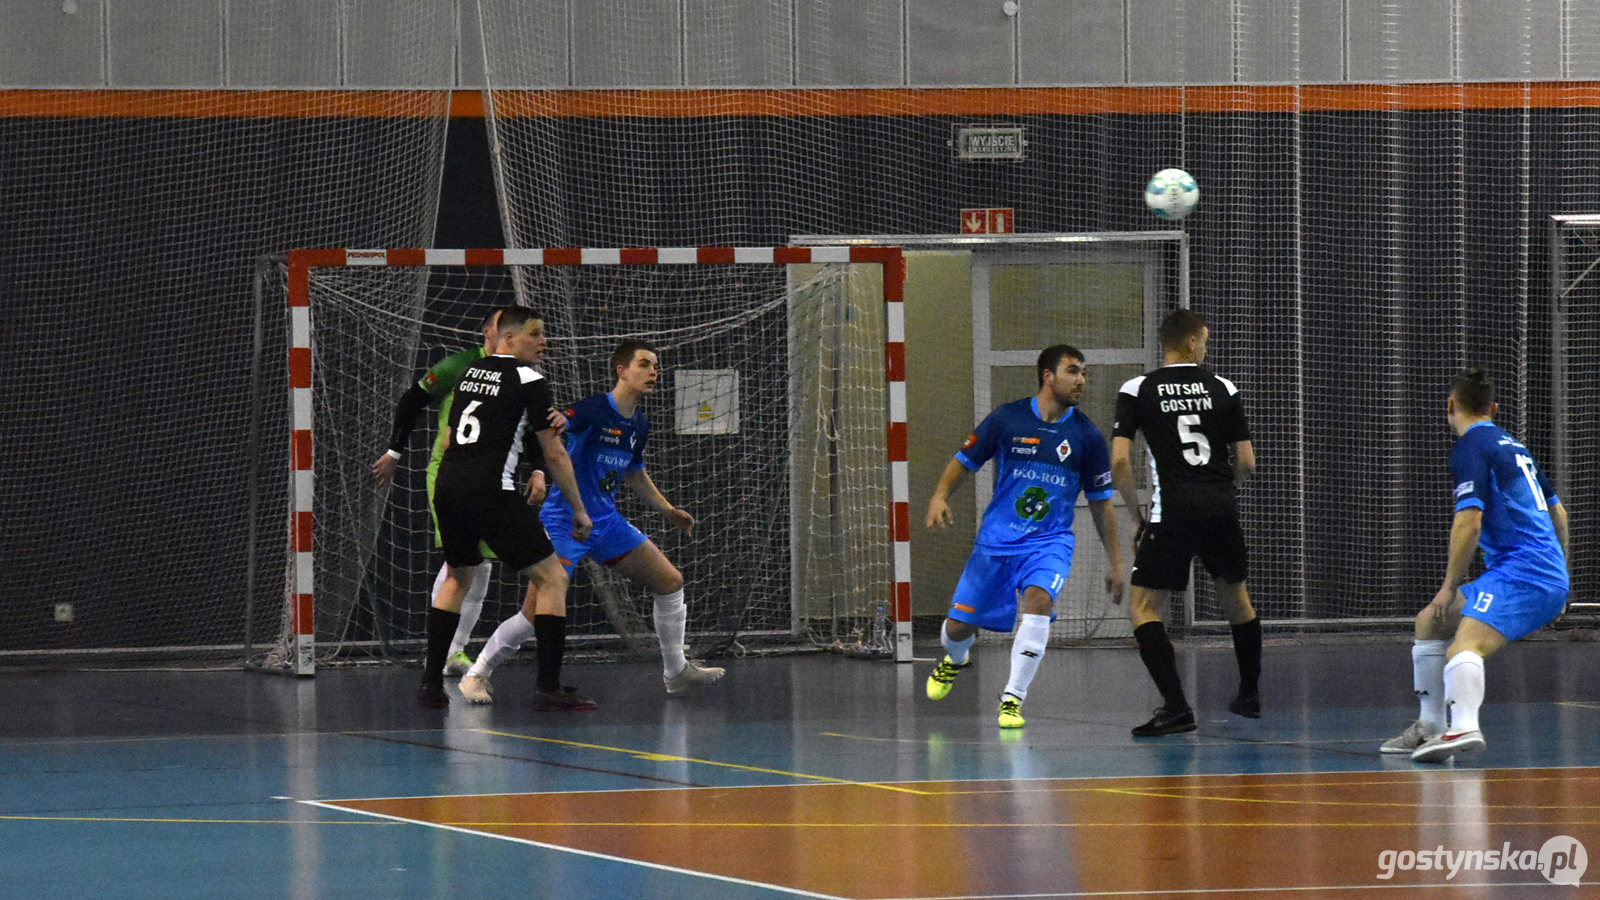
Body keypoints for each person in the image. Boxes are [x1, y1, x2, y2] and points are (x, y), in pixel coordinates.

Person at [458, 340, 725, 704]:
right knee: (534, 613)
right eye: (645, 365)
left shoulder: (638, 425)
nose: (653, 373)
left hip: (606, 522)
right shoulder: (593, 410)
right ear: (622, 370)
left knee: (670, 581)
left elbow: (634, 474)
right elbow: (559, 424)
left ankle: (676, 671)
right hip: (564, 521)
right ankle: (477, 674)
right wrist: (548, 444)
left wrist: (668, 510)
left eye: (656, 367)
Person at [924, 345, 1124, 729]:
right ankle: (955, 659)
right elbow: (964, 461)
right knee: (957, 628)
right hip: (996, 542)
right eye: (1072, 371)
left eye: (1083, 372)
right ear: (1048, 376)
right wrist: (939, 496)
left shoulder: (1087, 437)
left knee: (1039, 599)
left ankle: (1012, 700)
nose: (1081, 379)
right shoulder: (1007, 419)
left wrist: (1116, 562)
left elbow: (1102, 504)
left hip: (1049, 542)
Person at [1384, 369, 1569, 763]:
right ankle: (1430, 727)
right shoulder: (1515, 446)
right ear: (1494, 408)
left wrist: (1450, 585)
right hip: (1535, 573)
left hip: (1523, 574)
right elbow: (1560, 514)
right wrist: (1561, 579)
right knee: (1430, 621)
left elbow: (1469, 521)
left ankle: (1464, 726)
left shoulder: (1471, 447)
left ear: (1450, 406)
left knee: (1465, 647)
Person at [416, 307, 592, 708]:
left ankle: (429, 684)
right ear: (507, 338)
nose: (543, 342)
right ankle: (548, 687)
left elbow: (449, 439)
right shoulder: (529, 378)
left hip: (449, 486)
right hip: (490, 490)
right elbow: (554, 451)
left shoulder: (469, 374)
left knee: (457, 577)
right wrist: (579, 509)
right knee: (551, 578)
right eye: (534, 334)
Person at [374, 306, 561, 677]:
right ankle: (442, 657)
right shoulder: (462, 367)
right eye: (531, 333)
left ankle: (451, 654)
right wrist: (395, 451)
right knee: (463, 567)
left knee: (476, 568)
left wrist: (538, 469)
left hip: (485, 476)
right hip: (452, 472)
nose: (540, 341)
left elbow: (528, 429)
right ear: (492, 332)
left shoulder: (520, 376)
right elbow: (412, 400)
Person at [1109, 308, 1260, 737]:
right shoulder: (1223, 386)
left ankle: (1176, 707)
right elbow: (1246, 461)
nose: (1207, 346)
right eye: (1206, 340)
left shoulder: (1138, 389)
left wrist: (1137, 514)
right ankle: (1249, 695)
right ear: (1192, 342)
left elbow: (1119, 460)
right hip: (1220, 508)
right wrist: (1221, 487)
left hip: (1172, 510)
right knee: (1237, 600)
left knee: (1143, 608)